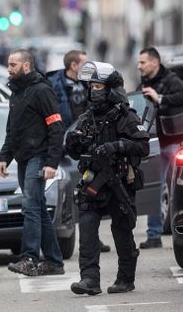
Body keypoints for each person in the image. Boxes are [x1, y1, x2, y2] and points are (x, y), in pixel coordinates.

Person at [66, 61, 149, 295]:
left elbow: (143, 146)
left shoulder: (125, 116)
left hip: (119, 181)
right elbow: (74, 152)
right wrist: (73, 142)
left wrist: (116, 146)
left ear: (111, 89)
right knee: (88, 227)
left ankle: (125, 278)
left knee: (121, 230)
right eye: (91, 86)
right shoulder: (87, 117)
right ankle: (89, 279)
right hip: (93, 182)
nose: (93, 90)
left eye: (99, 86)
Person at [0, 49, 65, 277]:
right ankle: (55, 261)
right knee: (38, 208)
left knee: (30, 207)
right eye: (8, 64)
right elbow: (12, 129)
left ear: (26, 66)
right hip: (24, 157)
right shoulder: (17, 92)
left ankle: (29, 258)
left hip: (40, 156)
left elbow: (56, 127)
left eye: (13, 64)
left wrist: (51, 162)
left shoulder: (41, 90)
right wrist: (4, 157)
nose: (9, 69)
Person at [48, 50, 111, 253]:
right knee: (66, 192)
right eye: (85, 62)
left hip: (86, 144)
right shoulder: (54, 84)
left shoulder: (89, 83)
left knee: (90, 192)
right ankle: (63, 237)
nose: (89, 65)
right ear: (74, 66)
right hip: (63, 144)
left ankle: (92, 237)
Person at [137, 47, 183, 249]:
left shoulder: (171, 80)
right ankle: (154, 235)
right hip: (155, 144)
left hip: (176, 142)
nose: (139, 66)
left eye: (142, 62)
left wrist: (159, 98)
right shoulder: (143, 84)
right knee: (155, 190)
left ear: (154, 62)